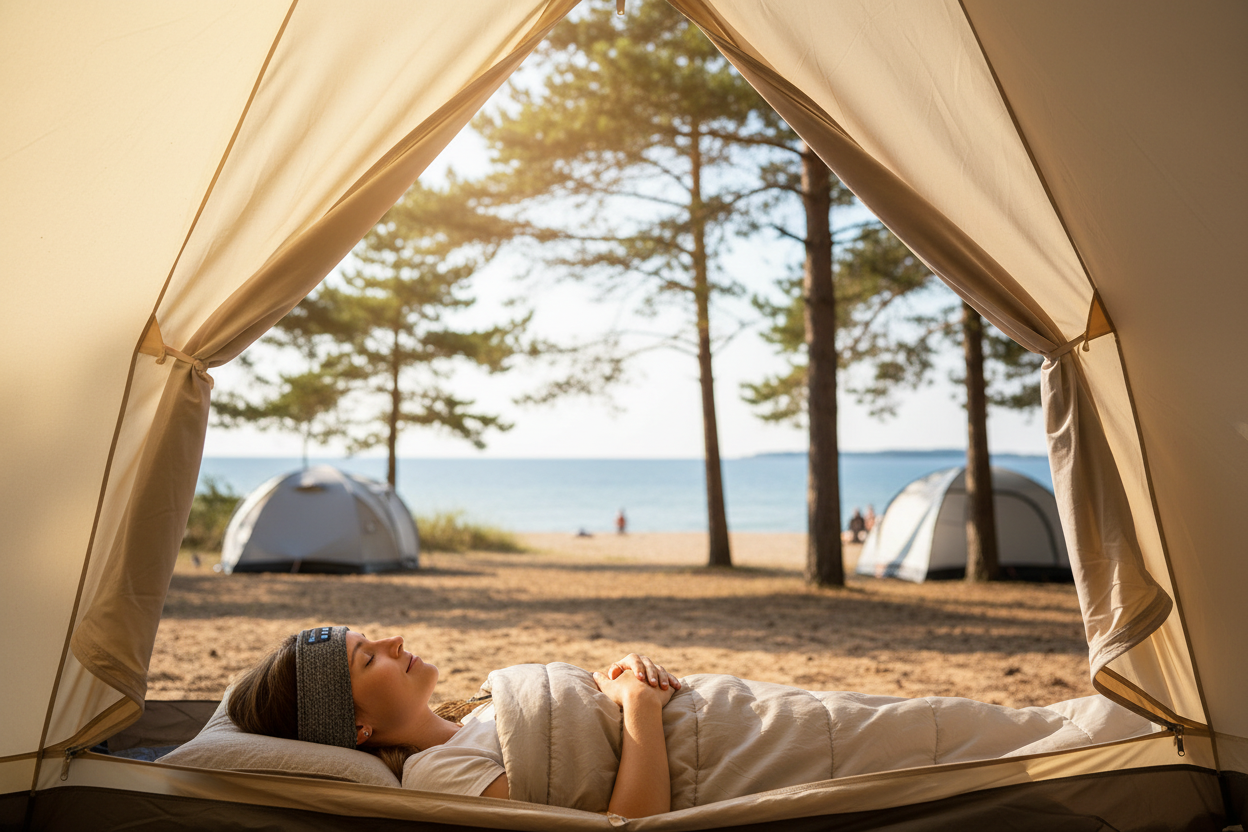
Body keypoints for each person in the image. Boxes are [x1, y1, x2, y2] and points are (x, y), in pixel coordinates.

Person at [228, 627, 680, 818]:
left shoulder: (474, 711)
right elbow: (630, 822)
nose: (394, 640)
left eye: (372, 638)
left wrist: (623, 674)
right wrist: (640, 704)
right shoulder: (437, 773)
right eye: (367, 658)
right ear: (356, 727)